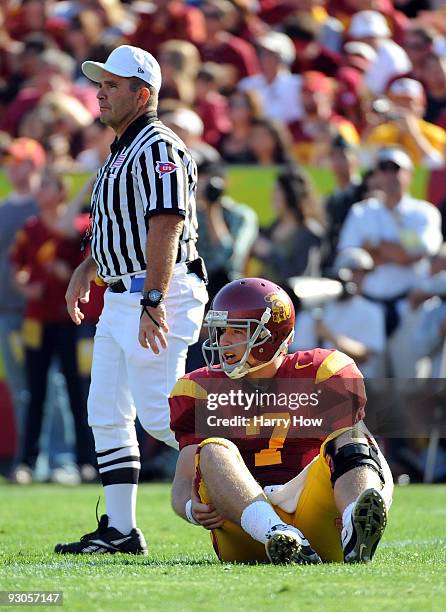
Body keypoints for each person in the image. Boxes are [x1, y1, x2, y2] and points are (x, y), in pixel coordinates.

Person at [54, 45, 208, 555]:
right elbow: (120, 230)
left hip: (155, 290)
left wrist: (153, 298)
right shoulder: (122, 148)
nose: (100, 91)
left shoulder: (158, 147)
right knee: (106, 411)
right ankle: (121, 530)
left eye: (113, 84)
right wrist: (87, 267)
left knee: (163, 416)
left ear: (143, 94)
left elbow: (166, 224)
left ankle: (262, 477)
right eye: (100, 83)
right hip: (123, 294)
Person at [170, 278, 393, 564]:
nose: (223, 341)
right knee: (213, 449)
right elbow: (182, 482)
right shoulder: (200, 388)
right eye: (220, 331)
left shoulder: (320, 373)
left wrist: (376, 498)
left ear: (269, 337)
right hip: (244, 524)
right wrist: (191, 509)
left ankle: (354, 524)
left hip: (314, 513)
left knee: (351, 437)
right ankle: (277, 534)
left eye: (237, 331)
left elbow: (366, 458)